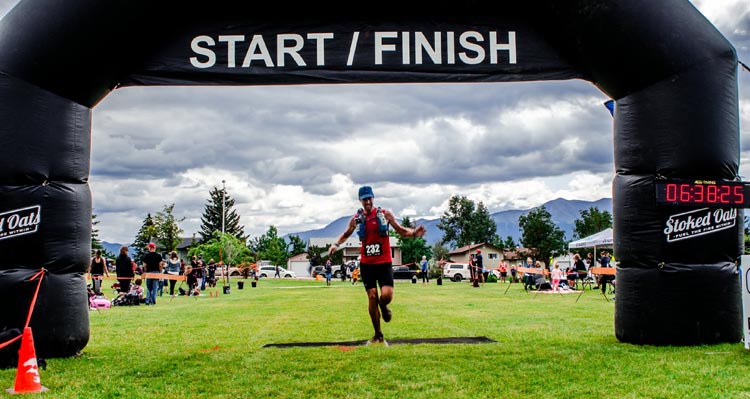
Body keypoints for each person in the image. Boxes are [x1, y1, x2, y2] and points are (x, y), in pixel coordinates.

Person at [328, 185, 426, 345]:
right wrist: (335, 244)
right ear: (360, 200)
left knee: (386, 296)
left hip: (384, 263)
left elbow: (401, 231)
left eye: (369, 198)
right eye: (364, 199)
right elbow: (346, 234)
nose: (367, 201)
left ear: (373, 198)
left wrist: (414, 233)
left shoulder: (384, 215)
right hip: (367, 265)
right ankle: (378, 335)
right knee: (372, 296)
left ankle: (383, 305)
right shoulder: (356, 219)